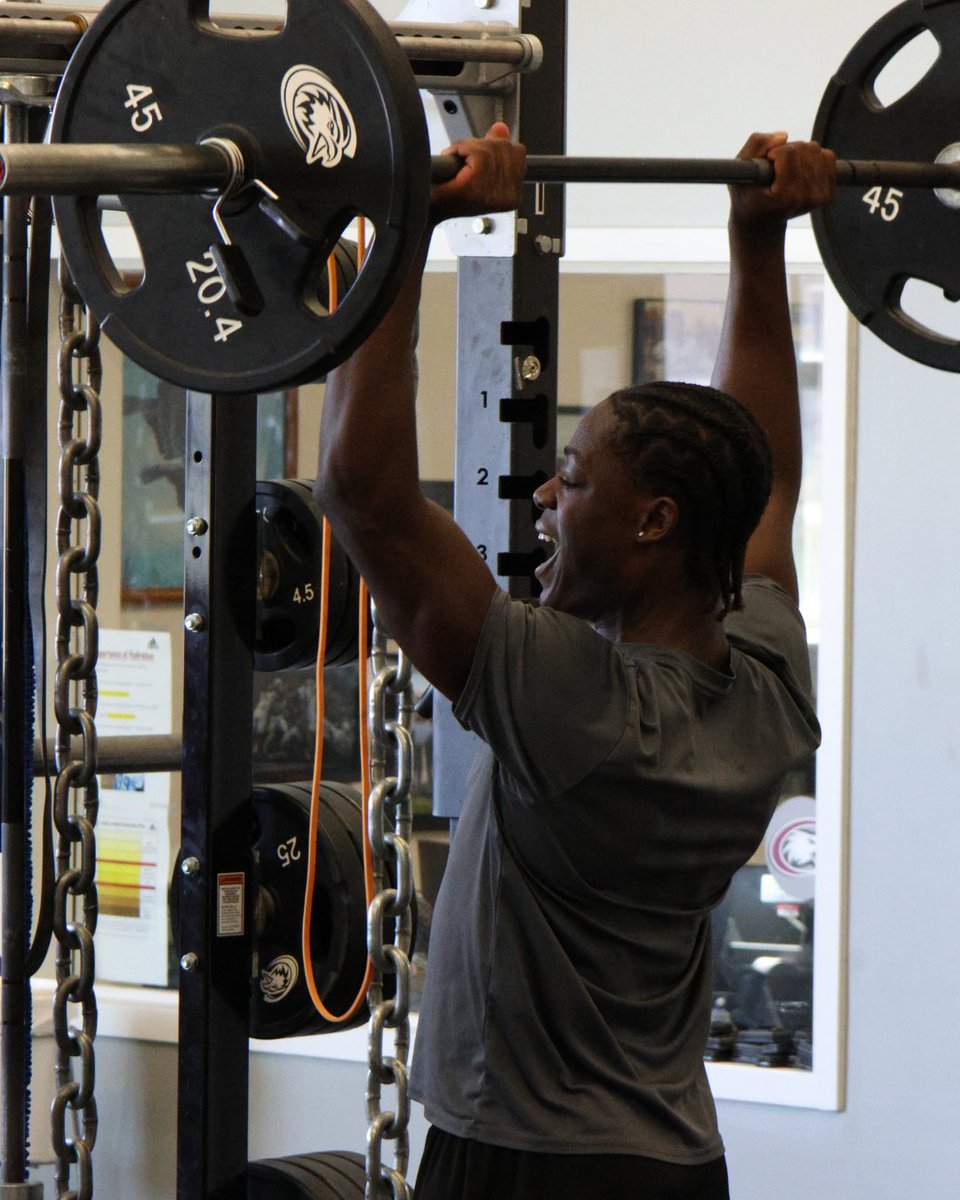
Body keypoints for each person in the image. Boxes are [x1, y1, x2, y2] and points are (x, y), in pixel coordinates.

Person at [314, 126, 834, 1200]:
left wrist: (410, 232)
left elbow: (365, 497)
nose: (547, 498)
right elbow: (765, 483)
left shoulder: (577, 705)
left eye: (575, 480)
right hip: (673, 1163)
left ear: (652, 522)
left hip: (522, 1163)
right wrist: (758, 242)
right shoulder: (766, 676)